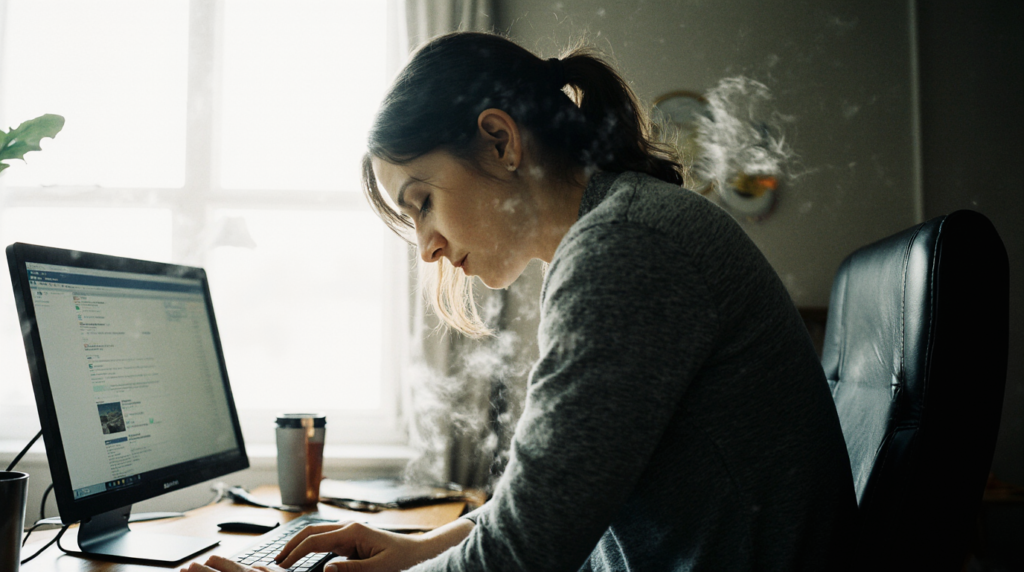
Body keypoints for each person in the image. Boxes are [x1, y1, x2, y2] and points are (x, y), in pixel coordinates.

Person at [183, 31, 857, 572]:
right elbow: (544, 506)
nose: (426, 248)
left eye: (422, 202)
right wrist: (418, 549)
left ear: (502, 141)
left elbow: (521, 555)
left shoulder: (626, 246)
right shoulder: (624, 229)